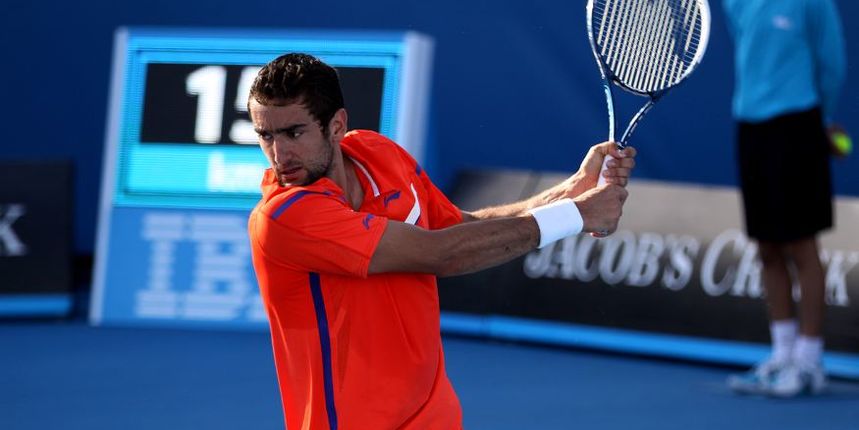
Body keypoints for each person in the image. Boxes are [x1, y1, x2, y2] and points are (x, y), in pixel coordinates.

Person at [246, 53, 637, 429]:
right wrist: (579, 214)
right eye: (266, 136)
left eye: (294, 132)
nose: (279, 154)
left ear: (336, 125)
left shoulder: (379, 153)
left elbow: (461, 228)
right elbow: (443, 254)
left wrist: (571, 193)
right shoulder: (286, 218)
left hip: (434, 418)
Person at [723, 0, 847, 397]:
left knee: (801, 245)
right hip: (750, 127)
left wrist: (822, 121)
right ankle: (782, 355)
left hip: (799, 127)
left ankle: (810, 363)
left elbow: (833, 64)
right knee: (767, 248)